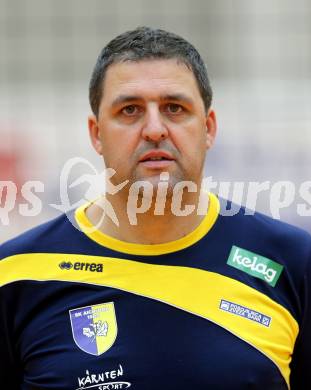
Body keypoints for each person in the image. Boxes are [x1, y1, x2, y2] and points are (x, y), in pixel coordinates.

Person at [0, 27, 310, 390]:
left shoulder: (290, 261)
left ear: (208, 128)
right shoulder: (16, 276)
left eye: (174, 108)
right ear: (96, 133)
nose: (154, 129)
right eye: (129, 110)